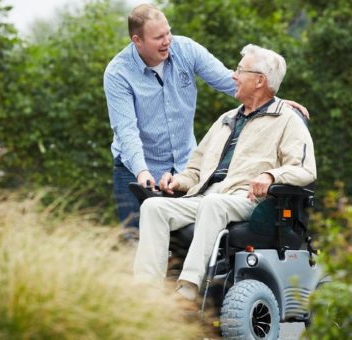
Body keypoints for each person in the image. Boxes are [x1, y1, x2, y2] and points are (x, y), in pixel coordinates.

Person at [133, 44, 317, 300]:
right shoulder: (226, 119)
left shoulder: (287, 120)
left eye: (241, 70)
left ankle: (187, 289)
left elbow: (304, 169)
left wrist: (272, 176)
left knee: (213, 203)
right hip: (206, 196)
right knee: (153, 207)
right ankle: (144, 295)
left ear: (259, 81)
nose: (234, 75)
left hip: (248, 199)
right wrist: (177, 182)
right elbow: (195, 169)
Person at [103, 4, 310, 230]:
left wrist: (273, 101)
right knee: (136, 239)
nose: (167, 40)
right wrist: (142, 172)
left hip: (183, 170)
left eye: (168, 32)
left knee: (182, 242)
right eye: (158, 37)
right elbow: (126, 131)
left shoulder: (186, 50)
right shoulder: (118, 73)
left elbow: (229, 81)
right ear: (138, 41)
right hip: (136, 171)